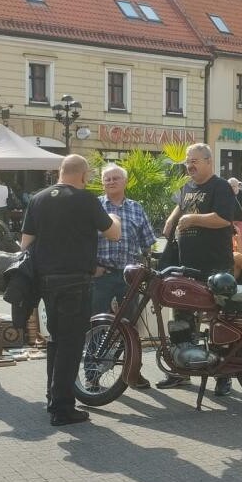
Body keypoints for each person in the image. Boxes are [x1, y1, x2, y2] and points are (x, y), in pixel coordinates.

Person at [21, 155, 121, 426]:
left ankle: (53, 395)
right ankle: (62, 408)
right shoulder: (85, 199)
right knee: (71, 343)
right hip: (75, 279)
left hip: (45, 280)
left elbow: (25, 242)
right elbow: (113, 234)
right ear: (84, 175)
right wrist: (114, 217)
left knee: (55, 339)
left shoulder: (38, 198)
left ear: (60, 172)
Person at [157, 143, 235, 396]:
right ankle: (180, 371)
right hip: (186, 267)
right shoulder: (187, 186)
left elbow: (224, 218)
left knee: (219, 321)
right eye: (187, 162)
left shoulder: (220, 186)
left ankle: (224, 375)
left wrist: (193, 219)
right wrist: (173, 217)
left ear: (209, 161)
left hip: (215, 268)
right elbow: (183, 204)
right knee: (181, 319)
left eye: (195, 161)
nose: (189, 165)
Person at [92, 163, 156, 389]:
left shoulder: (136, 208)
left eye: (115, 178)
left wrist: (148, 268)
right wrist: (91, 266)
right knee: (97, 325)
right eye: (107, 179)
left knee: (130, 327)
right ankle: (92, 375)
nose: (111, 182)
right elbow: (82, 240)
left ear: (125, 182)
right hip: (102, 275)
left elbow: (148, 243)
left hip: (131, 277)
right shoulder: (95, 206)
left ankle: (132, 372)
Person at [227, 177, 242, 253]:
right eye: (231, 186)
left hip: (240, 220)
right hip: (229, 221)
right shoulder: (225, 194)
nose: (233, 188)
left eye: (235, 186)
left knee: (241, 241)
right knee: (231, 242)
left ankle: (241, 256)